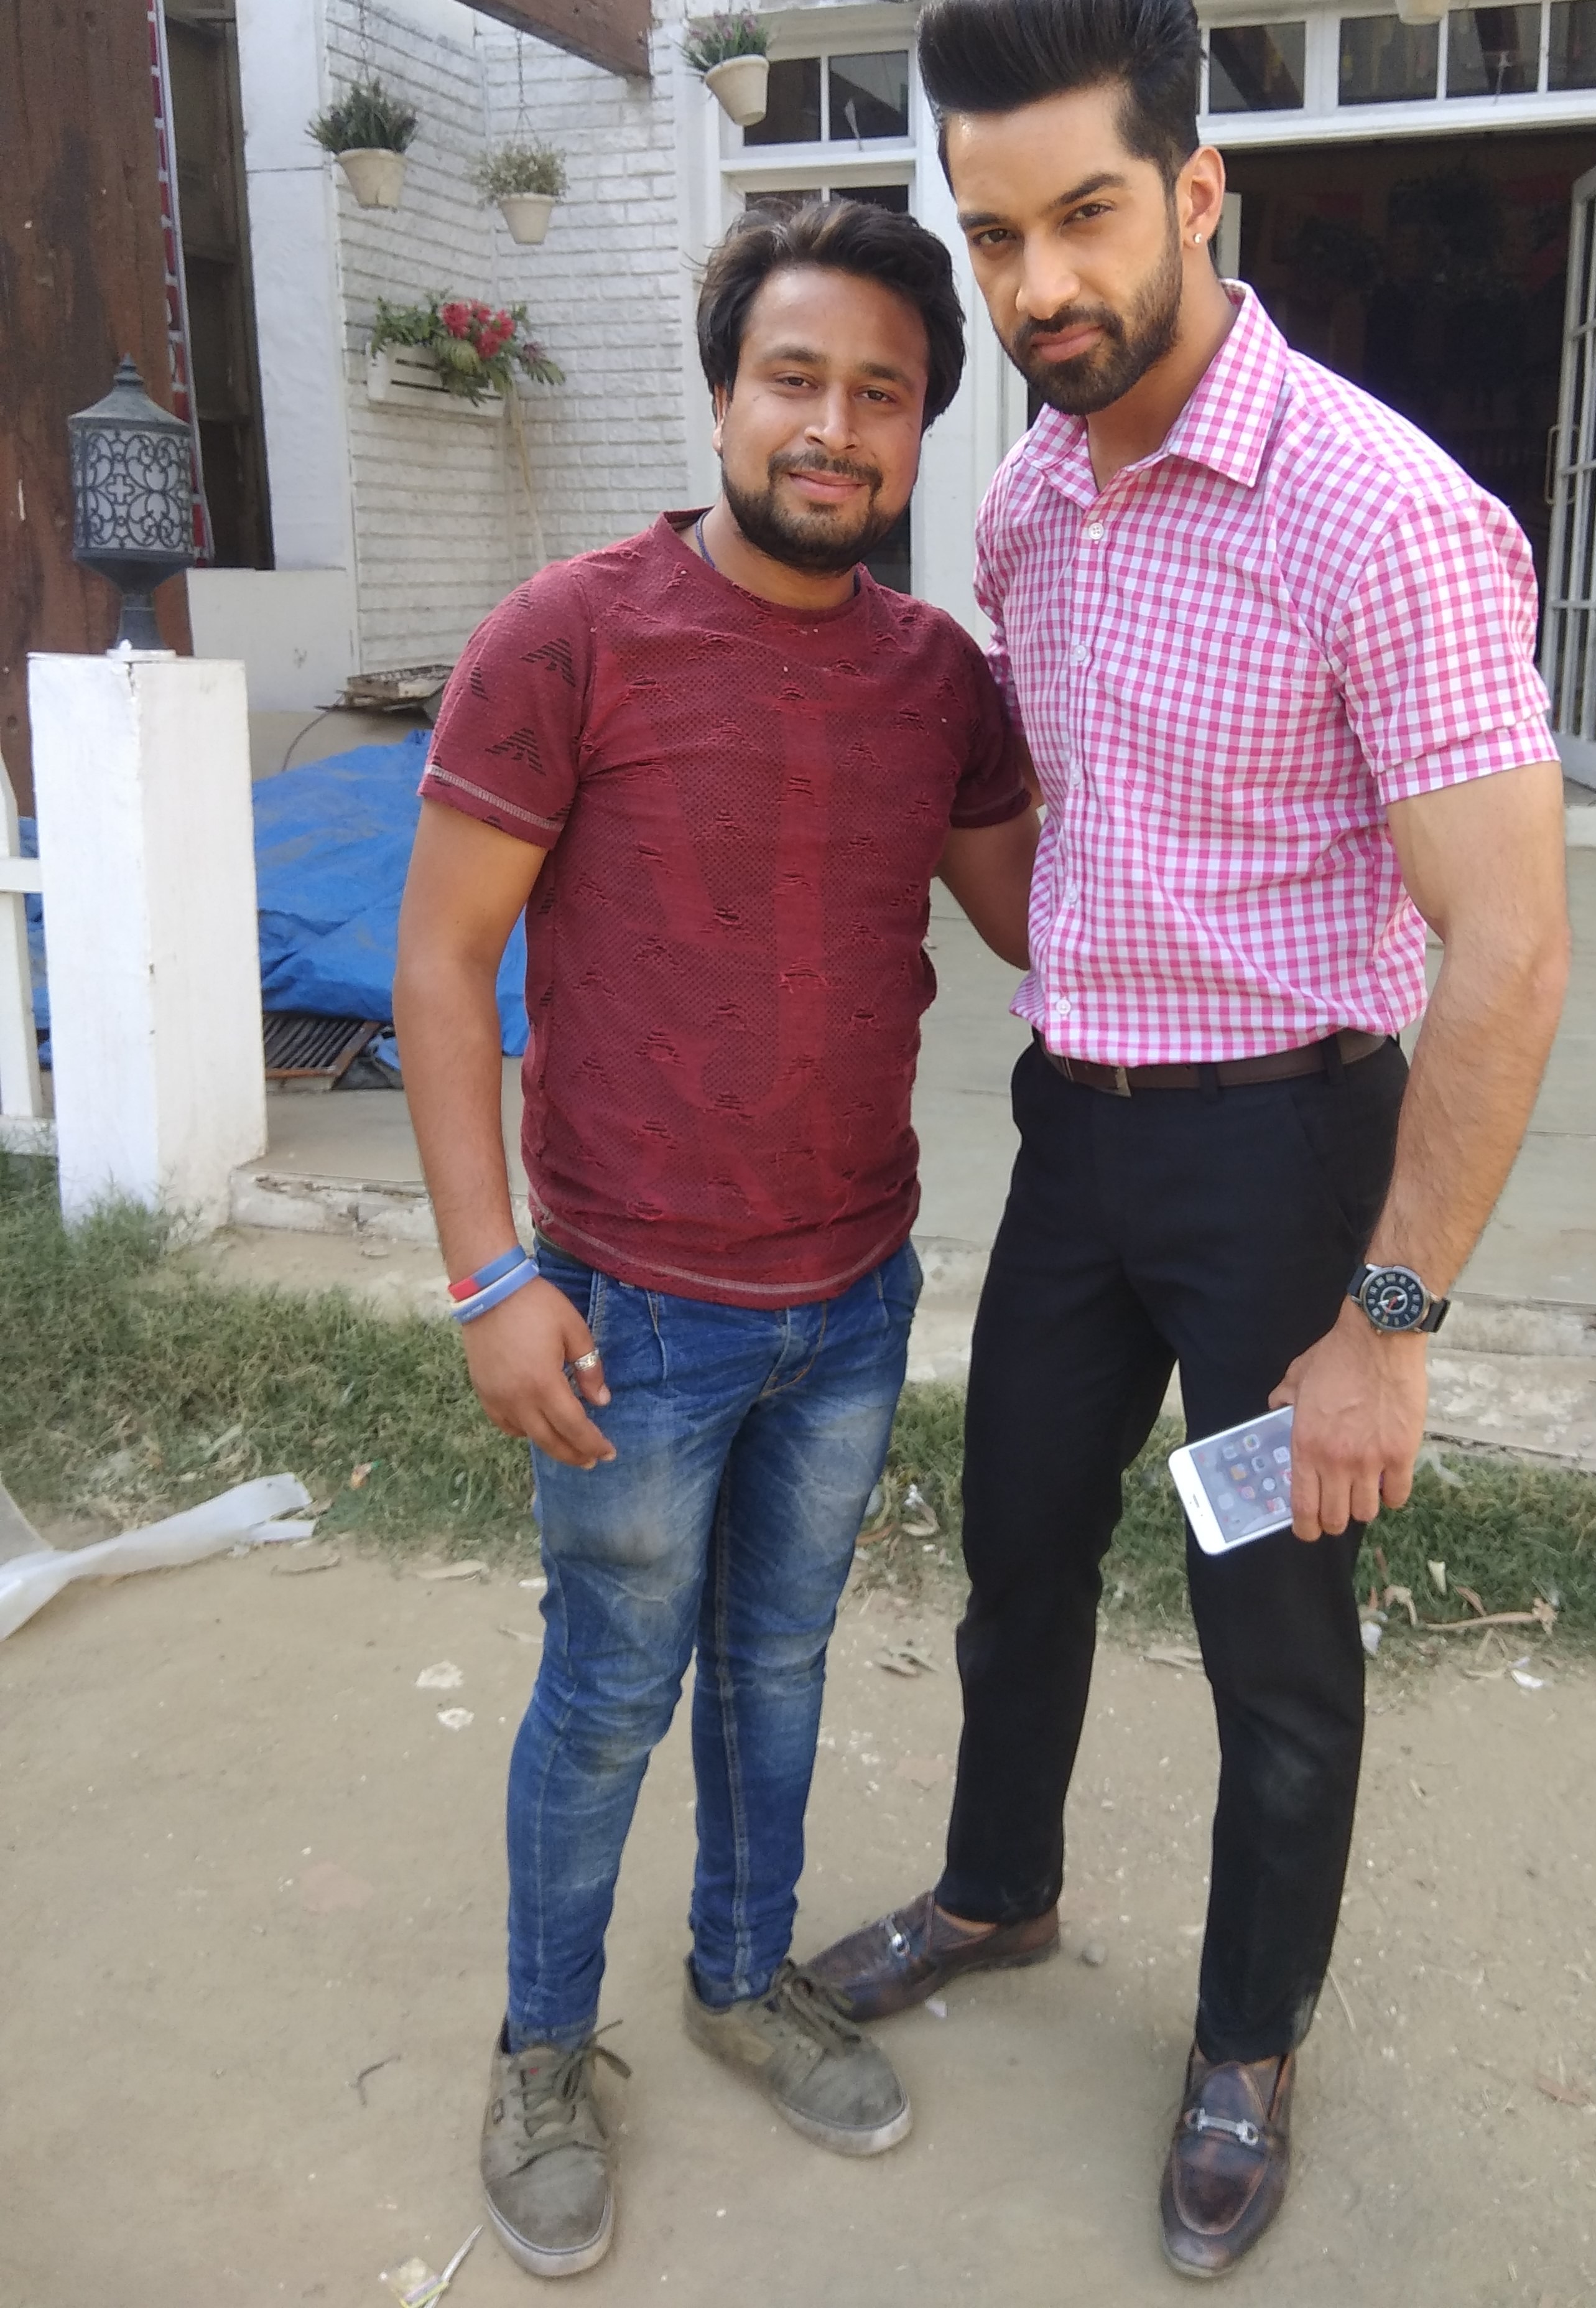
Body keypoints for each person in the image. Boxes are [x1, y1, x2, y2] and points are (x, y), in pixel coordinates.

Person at [806, 0, 1572, 2281]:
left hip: (1286, 1171)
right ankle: (1002, 1888)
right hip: (1085, 1134)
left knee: (1271, 1628)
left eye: (1087, 218)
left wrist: (1386, 1324)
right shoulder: (1033, 500)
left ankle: (1249, 2039)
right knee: (1022, 1543)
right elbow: (1067, 829)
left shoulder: (1384, 516)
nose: (1038, 284)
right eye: (994, 233)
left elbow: (1512, 951)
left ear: (1201, 192)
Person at [393, 197, 1037, 2282]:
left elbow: (1045, 926)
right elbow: (441, 963)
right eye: (796, 379)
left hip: (851, 1298)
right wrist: (492, 1276)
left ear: (924, 428)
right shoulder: (567, 637)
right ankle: (542, 2052)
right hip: (629, 1313)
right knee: (609, 1693)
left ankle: (743, 1979)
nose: (834, 428)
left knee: (776, 1666)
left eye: (883, 394)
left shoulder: (940, 683)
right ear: (725, 392)